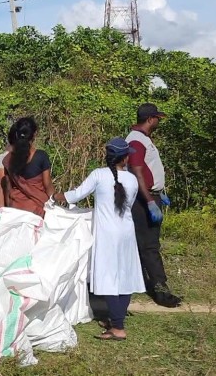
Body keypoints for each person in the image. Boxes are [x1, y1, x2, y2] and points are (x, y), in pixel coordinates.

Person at [55, 137, 145, 341]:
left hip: (107, 234)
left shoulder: (98, 175)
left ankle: (118, 327)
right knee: (124, 275)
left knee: (108, 277)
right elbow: (127, 204)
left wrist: (55, 196)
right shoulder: (131, 179)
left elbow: (75, 195)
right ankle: (116, 319)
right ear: (124, 158)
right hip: (126, 232)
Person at [126, 103, 181, 308]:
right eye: (157, 118)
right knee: (149, 246)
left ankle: (146, 283)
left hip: (151, 195)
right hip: (143, 199)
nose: (159, 121)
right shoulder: (136, 141)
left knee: (146, 244)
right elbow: (137, 171)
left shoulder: (143, 139)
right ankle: (160, 290)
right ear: (150, 119)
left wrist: (160, 192)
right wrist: (150, 200)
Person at [1, 117, 55, 217]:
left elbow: (8, 188)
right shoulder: (41, 156)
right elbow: (48, 186)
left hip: (16, 209)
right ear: (34, 135)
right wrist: (55, 205)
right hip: (38, 211)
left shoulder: (8, 159)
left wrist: (9, 211)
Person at [0, 124, 17, 209]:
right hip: (11, 207)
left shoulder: (32, 157)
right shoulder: (2, 158)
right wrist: (1, 212)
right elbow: (0, 187)